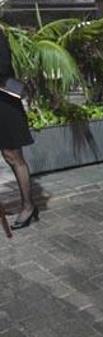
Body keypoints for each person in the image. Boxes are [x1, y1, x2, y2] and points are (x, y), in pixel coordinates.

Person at [0, 28, 38, 230]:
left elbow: (3, 67)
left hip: (5, 103)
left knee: (13, 155)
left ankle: (29, 206)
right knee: (8, 156)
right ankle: (27, 204)